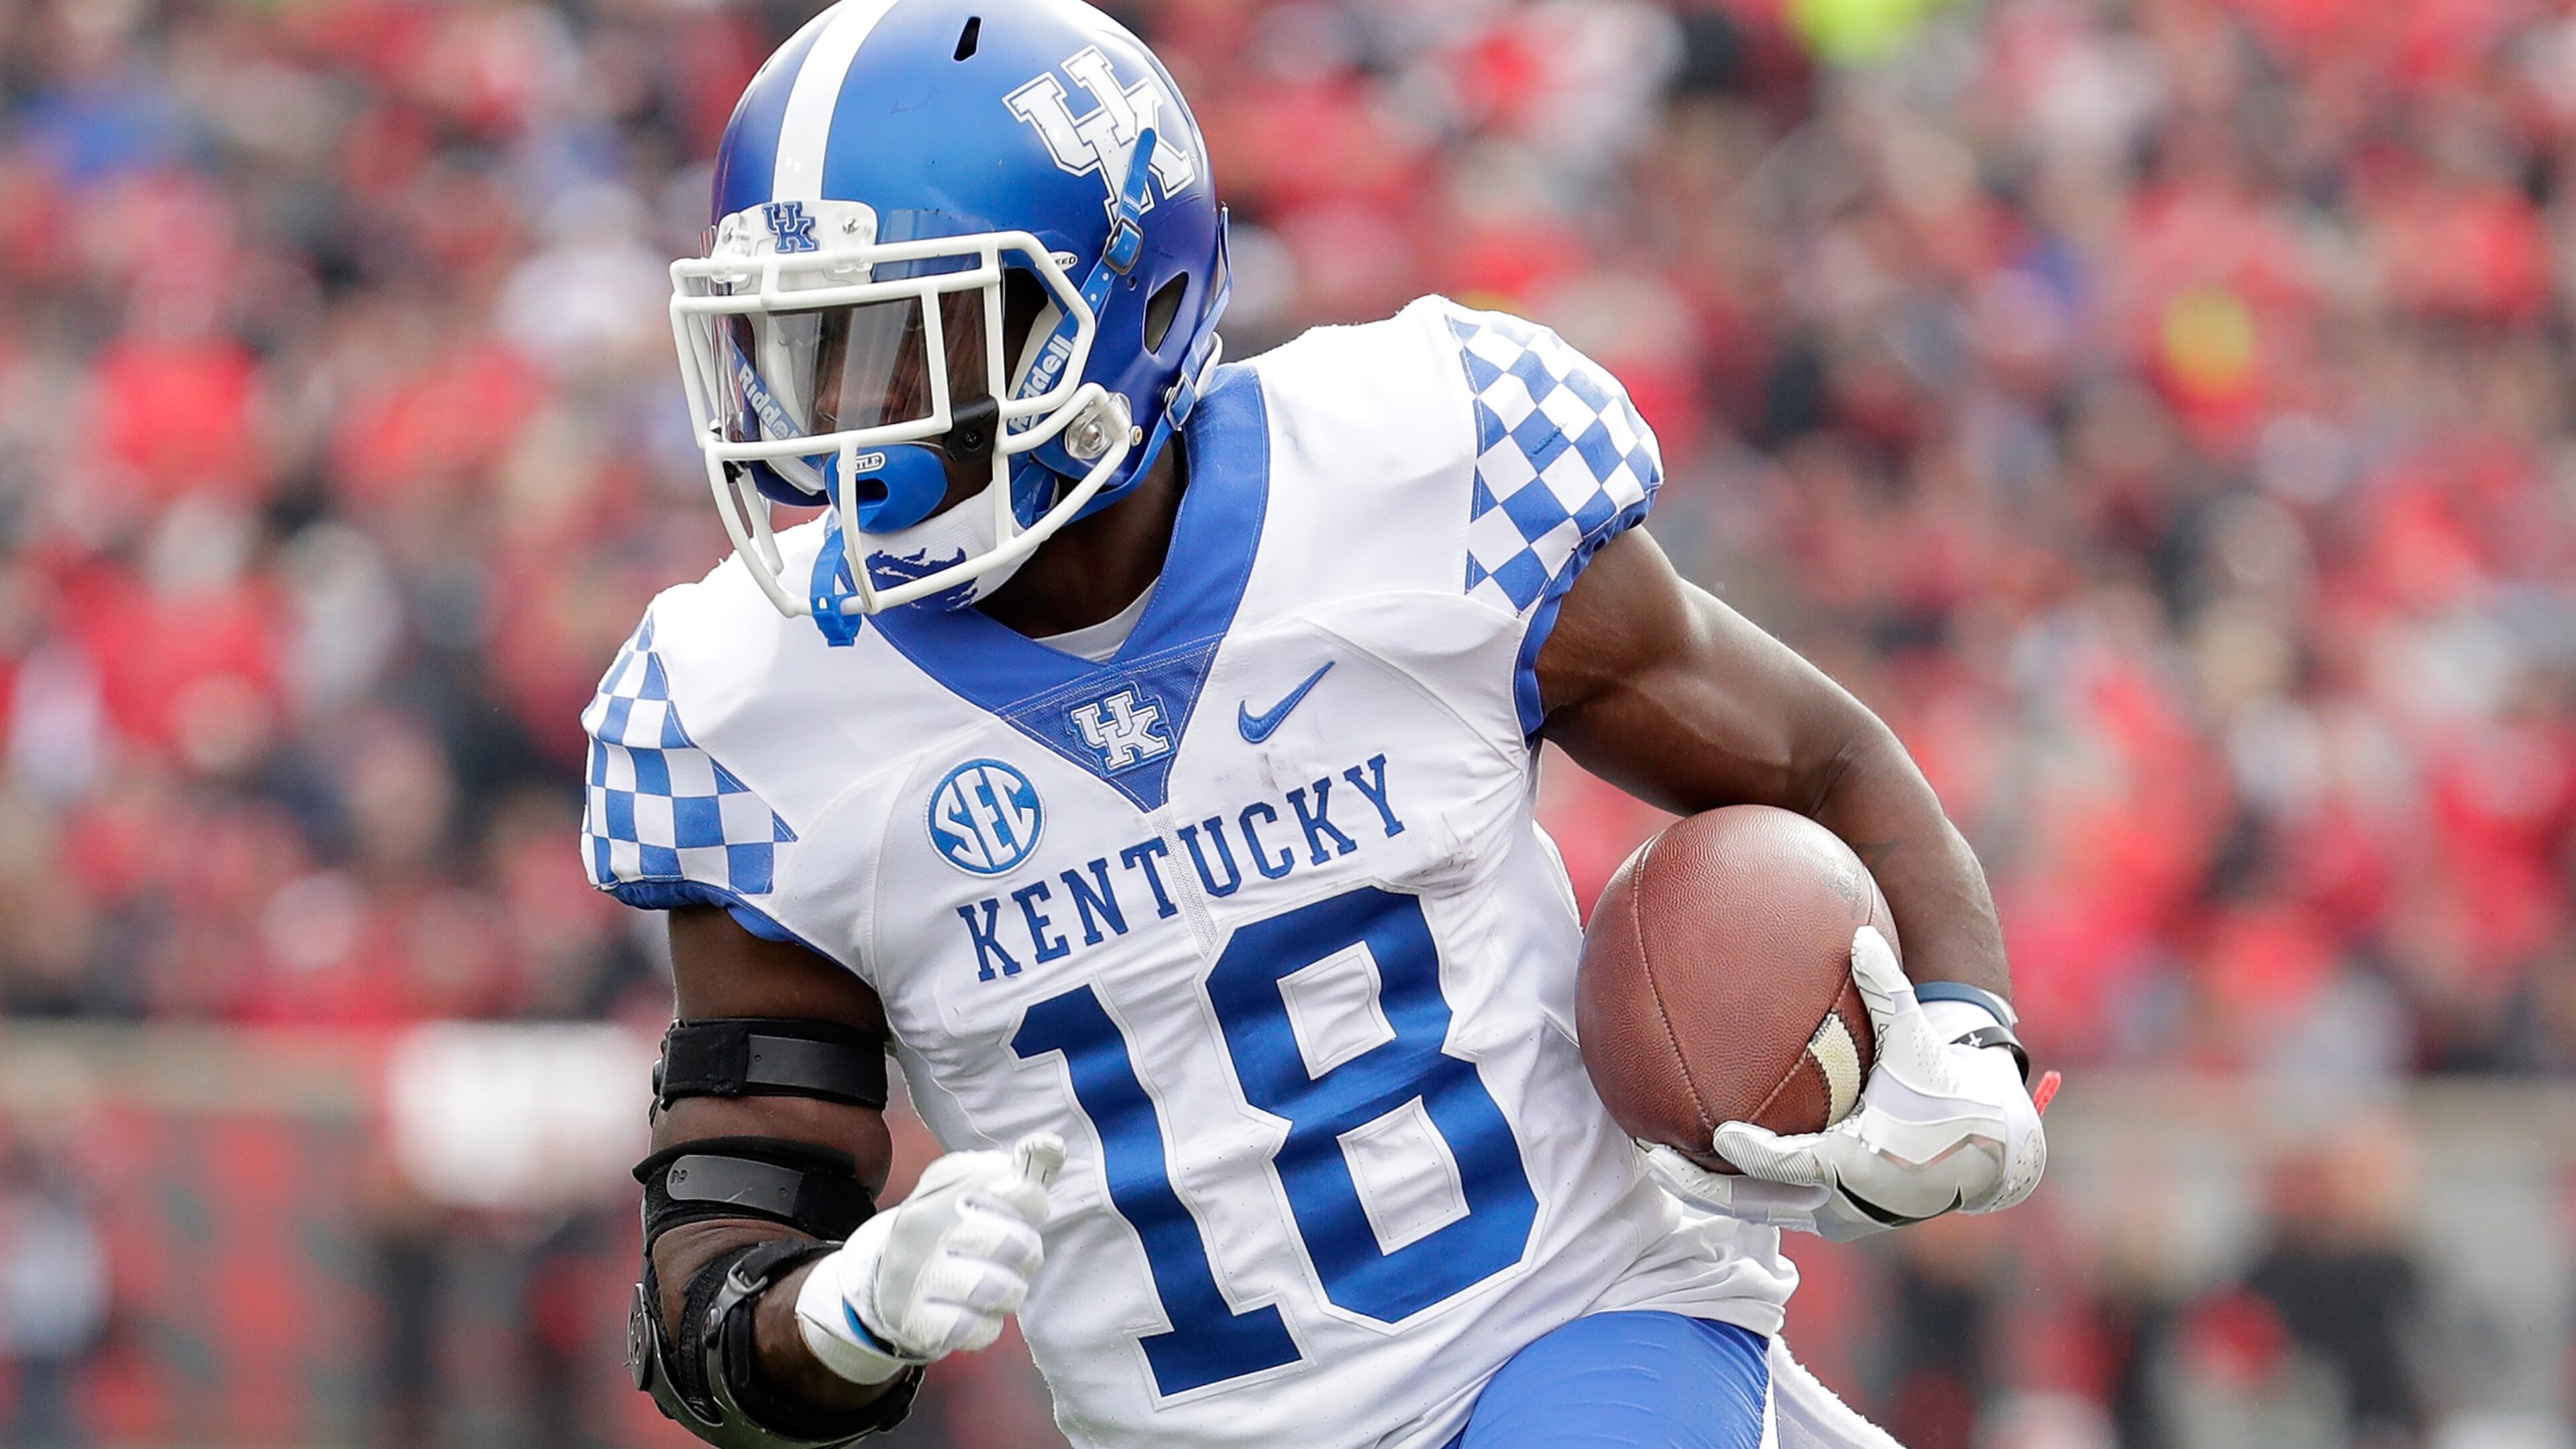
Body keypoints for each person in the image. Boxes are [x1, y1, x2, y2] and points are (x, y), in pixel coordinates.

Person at [583, 2, 2047, 1445]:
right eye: (804, 356)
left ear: (1116, 306)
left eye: (910, 347)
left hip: (1576, 1331)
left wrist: (1966, 1038)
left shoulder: (1413, 476)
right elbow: (718, 1273)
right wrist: (840, 1315)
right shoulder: (749, 713)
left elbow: (1822, 758)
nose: (841, 430)